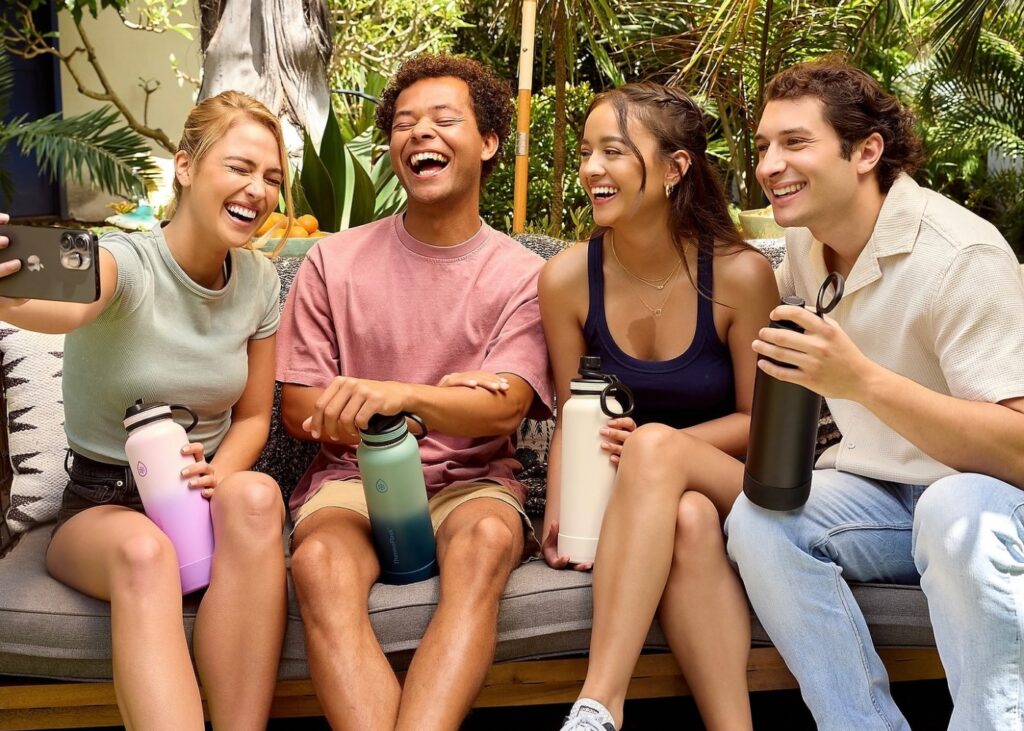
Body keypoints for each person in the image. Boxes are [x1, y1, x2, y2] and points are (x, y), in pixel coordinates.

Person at [725, 57, 1024, 731]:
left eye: (795, 143)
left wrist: (860, 381)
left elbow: (1019, 448)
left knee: (952, 508)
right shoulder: (805, 240)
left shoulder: (961, 257)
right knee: (761, 517)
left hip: (987, 497)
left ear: (866, 151)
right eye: (765, 146)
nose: (770, 164)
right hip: (887, 492)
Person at [275, 53, 553, 731]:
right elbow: (301, 408)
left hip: (472, 480)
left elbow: (506, 405)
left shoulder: (522, 275)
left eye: (442, 119)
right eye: (404, 124)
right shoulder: (331, 262)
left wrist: (388, 394)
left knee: (488, 538)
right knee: (316, 564)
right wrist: (435, 399)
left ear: (488, 143)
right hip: (351, 481)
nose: (419, 134)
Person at [0, 90, 291, 730]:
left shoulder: (261, 284)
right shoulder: (124, 257)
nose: (259, 190)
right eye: (239, 167)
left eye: (272, 177)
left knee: (259, 495)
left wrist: (223, 473)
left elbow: (251, 420)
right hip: (104, 504)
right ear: (185, 167)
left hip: (200, 502)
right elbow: (67, 304)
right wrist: (11, 292)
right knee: (143, 555)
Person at [539, 83, 779, 731]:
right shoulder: (566, 278)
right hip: (639, 496)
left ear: (676, 168)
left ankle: (600, 701)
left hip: (736, 476)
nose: (591, 167)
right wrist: (561, 510)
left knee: (670, 466)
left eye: (613, 151)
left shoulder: (739, 275)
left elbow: (761, 422)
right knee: (689, 518)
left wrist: (664, 449)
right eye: (587, 151)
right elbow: (573, 410)